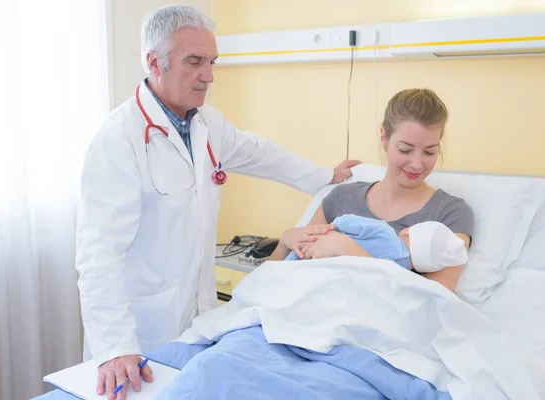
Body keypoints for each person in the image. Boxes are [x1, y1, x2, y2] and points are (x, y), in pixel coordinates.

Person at [75, 5, 360, 400]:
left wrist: (324, 176)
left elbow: (261, 154)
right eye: (194, 61)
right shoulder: (118, 141)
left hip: (197, 319)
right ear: (154, 62)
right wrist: (115, 348)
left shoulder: (206, 123)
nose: (208, 75)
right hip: (138, 330)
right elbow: (99, 256)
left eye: (211, 62)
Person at [270, 88, 474, 292]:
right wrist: (284, 243)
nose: (416, 164)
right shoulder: (341, 198)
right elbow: (273, 281)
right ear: (384, 138)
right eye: (405, 149)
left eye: (429, 152)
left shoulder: (450, 213)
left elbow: (436, 302)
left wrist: (346, 249)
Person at [284, 214, 469, 275]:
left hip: (309, 256)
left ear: (407, 231)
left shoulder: (385, 231)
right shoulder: (399, 274)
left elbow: (346, 221)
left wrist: (333, 227)